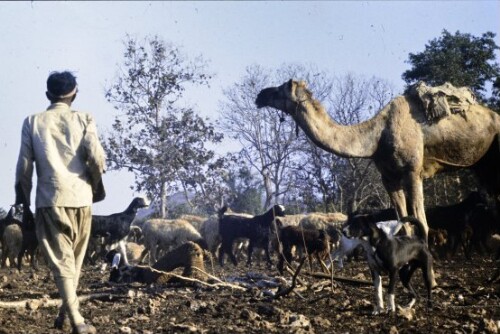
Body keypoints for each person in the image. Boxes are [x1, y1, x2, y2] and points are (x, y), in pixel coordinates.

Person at [15, 71, 106, 334]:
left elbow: (24, 168)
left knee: (63, 263)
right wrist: (96, 186)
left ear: (47, 95)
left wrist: (23, 202)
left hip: (50, 200)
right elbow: (97, 159)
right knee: (74, 262)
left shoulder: (32, 122)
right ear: (75, 94)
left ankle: (73, 318)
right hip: (82, 199)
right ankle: (71, 317)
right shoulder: (85, 118)